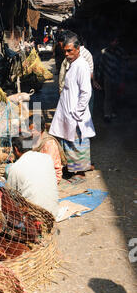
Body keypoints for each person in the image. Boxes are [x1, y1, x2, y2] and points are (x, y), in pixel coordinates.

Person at [49, 33, 96, 182]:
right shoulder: (73, 64)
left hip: (75, 114)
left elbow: (86, 92)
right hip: (68, 111)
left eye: (70, 51)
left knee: (76, 144)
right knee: (69, 142)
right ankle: (73, 168)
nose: (67, 54)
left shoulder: (81, 65)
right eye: (65, 51)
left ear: (77, 49)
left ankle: (79, 173)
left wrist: (77, 112)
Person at [6, 135, 59, 218]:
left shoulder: (15, 167)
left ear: (16, 149)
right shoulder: (47, 158)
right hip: (54, 212)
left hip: (34, 216)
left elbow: (11, 194)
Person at [94, 37, 127, 123]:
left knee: (115, 95)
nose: (115, 43)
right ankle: (107, 114)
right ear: (110, 42)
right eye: (113, 41)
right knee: (107, 96)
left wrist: (123, 77)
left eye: (116, 41)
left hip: (117, 77)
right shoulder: (104, 52)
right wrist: (97, 79)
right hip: (107, 77)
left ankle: (113, 112)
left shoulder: (120, 51)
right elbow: (101, 66)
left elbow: (123, 64)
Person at [29, 117, 67, 185]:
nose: (31, 132)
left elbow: (49, 165)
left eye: (33, 130)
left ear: (40, 129)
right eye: (29, 130)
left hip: (50, 175)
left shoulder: (49, 143)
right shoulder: (35, 139)